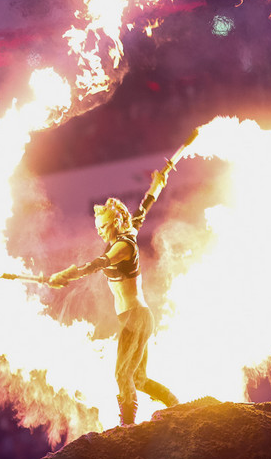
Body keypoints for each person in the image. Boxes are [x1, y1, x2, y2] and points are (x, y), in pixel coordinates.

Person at [48, 165, 179, 426]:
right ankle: (175, 405)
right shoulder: (127, 233)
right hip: (136, 318)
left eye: (103, 226)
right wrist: (157, 185)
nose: (100, 231)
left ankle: (127, 427)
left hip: (136, 318)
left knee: (122, 375)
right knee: (138, 378)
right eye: (98, 227)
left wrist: (67, 275)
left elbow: (97, 264)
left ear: (116, 223)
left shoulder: (122, 246)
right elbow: (143, 209)